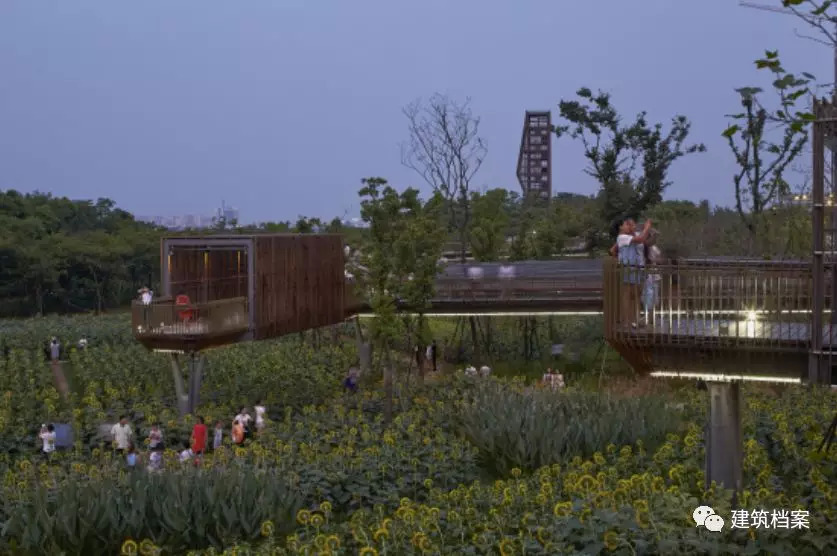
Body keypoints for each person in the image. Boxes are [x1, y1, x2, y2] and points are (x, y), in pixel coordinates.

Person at [612, 217, 653, 328]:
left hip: (636, 268)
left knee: (636, 295)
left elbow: (643, 241)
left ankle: (634, 319)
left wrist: (637, 230)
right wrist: (647, 227)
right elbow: (640, 239)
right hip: (628, 269)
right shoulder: (622, 237)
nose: (629, 226)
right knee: (627, 295)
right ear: (621, 227)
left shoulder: (630, 236)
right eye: (627, 224)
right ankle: (627, 321)